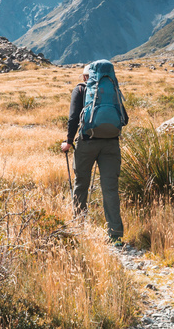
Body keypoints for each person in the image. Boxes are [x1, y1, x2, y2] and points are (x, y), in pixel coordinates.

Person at [60, 64, 124, 243]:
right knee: (110, 188)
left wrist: (69, 141)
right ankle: (115, 235)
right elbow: (123, 117)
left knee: (81, 185)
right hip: (111, 143)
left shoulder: (80, 90)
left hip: (87, 143)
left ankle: (79, 226)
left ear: (85, 77)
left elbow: (73, 118)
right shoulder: (112, 89)